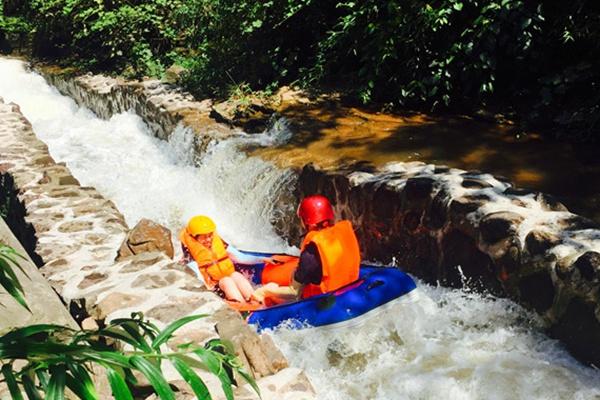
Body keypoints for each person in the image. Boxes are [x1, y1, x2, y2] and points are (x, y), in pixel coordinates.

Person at [252, 195, 361, 304]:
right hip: (350, 287)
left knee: (271, 292)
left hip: (327, 299)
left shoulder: (310, 254)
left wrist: (266, 291)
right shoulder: (343, 233)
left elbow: (294, 293)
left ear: (307, 222)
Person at [179, 215, 254, 304]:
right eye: (203, 237)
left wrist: (264, 259)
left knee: (236, 275)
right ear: (195, 238)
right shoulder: (190, 254)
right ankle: (242, 306)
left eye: (210, 235)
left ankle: (255, 300)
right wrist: (206, 291)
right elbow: (198, 277)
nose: (208, 240)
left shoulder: (216, 241)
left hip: (228, 277)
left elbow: (240, 257)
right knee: (226, 281)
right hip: (214, 288)